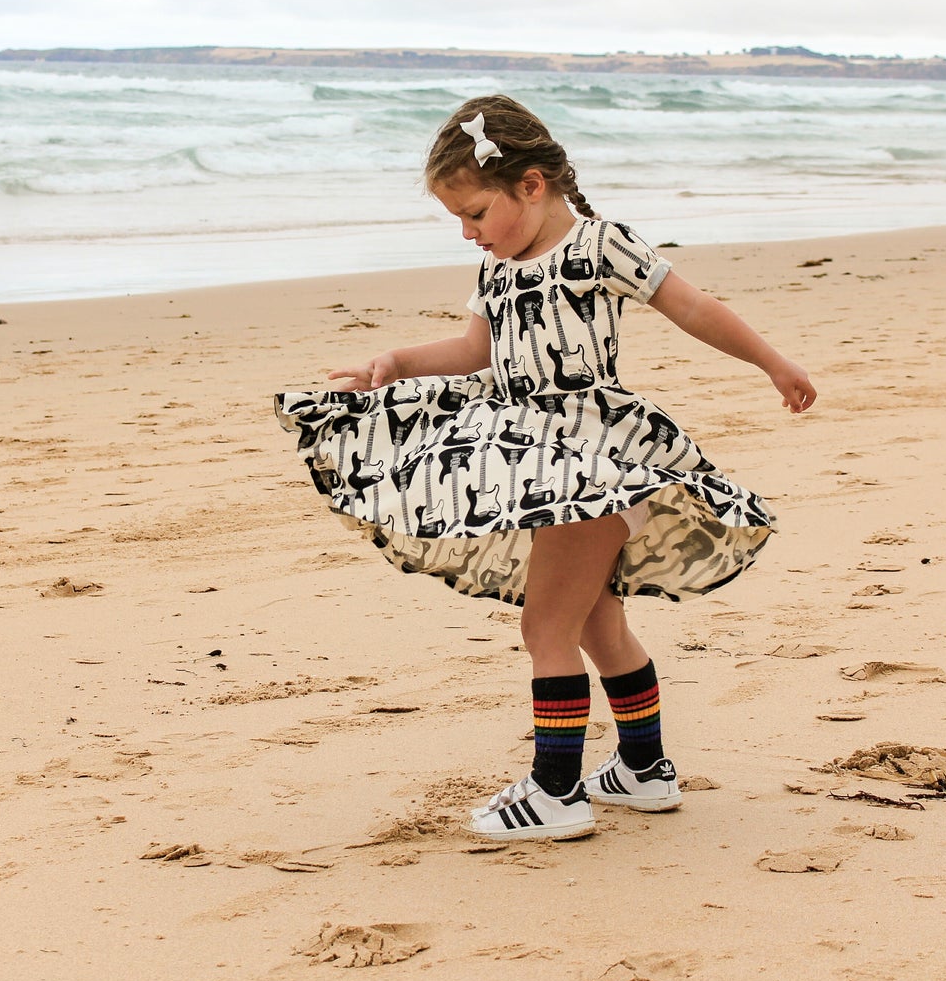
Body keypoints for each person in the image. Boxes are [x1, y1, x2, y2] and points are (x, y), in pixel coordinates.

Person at [275, 95, 815, 842]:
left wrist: (773, 363)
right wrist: (393, 363)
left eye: (474, 213)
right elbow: (475, 354)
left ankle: (556, 790)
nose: (468, 233)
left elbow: (692, 307)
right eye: (457, 221)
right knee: (596, 621)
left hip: (593, 460)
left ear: (531, 186)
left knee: (546, 627)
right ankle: (643, 770)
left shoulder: (599, 246)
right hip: (534, 457)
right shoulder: (498, 269)